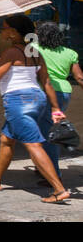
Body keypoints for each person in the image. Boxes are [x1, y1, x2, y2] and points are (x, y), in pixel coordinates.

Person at [0, 14, 70, 203]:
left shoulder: (11, 52)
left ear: (13, 32)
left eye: (4, 28)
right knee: (6, 139)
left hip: (18, 102)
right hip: (38, 99)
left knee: (33, 144)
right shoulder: (35, 52)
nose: (1, 31)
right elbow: (47, 82)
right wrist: (55, 108)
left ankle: (59, 190)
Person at [35, 21, 82, 180]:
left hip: (45, 93)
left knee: (48, 134)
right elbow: (80, 77)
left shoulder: (35, 50)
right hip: (64, 93)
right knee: (45, 130)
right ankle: (42, 166)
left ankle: (53, 175)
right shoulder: (69, 53)